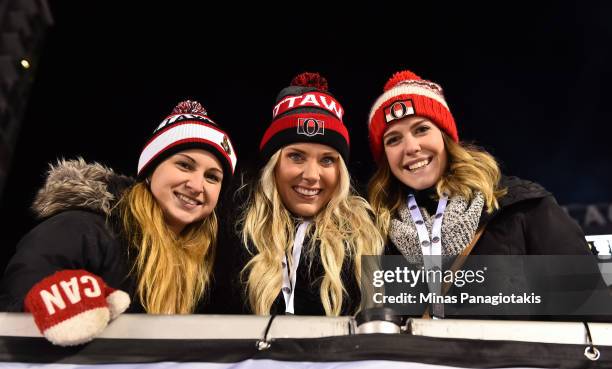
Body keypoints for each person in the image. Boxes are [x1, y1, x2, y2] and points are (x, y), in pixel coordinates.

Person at [366, 69, 609, 319]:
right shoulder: (375, 233)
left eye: (421, 129)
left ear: (446, 137)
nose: (411, 147)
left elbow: (590, 309)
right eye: (393, 139)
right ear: (384, 157)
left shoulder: (522, 207)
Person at [0, 100, 237, 344]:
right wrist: (55, 301)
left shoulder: (209, 264)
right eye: (184, 165)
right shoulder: (87, 227)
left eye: (212, 177)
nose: (197, 186)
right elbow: (18, 294)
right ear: (151, 169)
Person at [226, 72, 383, 316]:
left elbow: (414, 317)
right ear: (273, 164)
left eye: (327, 160)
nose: (311, 174)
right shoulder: (236, 228)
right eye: (296, 156)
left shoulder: (369, 235)